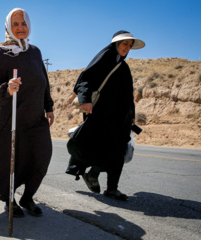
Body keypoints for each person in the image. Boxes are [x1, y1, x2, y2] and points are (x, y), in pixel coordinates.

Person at [0, 8, 54, 217]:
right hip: (11, 120)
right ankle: (10, 200)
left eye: (23, 23)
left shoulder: (35, 51)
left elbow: (44, 83)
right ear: (8, 27)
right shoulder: (2, 53)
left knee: (41, 158)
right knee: (10, 163)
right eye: (15, 24)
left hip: (36, 119)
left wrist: (49, 107)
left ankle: (28, 197)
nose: (20, 28)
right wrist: (7, 89)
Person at [71, 31, 145, 201]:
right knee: (102, 150)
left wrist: (131, 115)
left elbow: (128, 95)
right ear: (116, 45)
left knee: (118, 153)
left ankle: (112, 189)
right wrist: (85, 99)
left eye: (129, 44)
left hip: (120, 119)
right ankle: (92, 174)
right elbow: (84, 80)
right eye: (124, 43)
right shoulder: (103, 60)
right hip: (101, 116)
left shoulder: (124, 68)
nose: (127, 47)